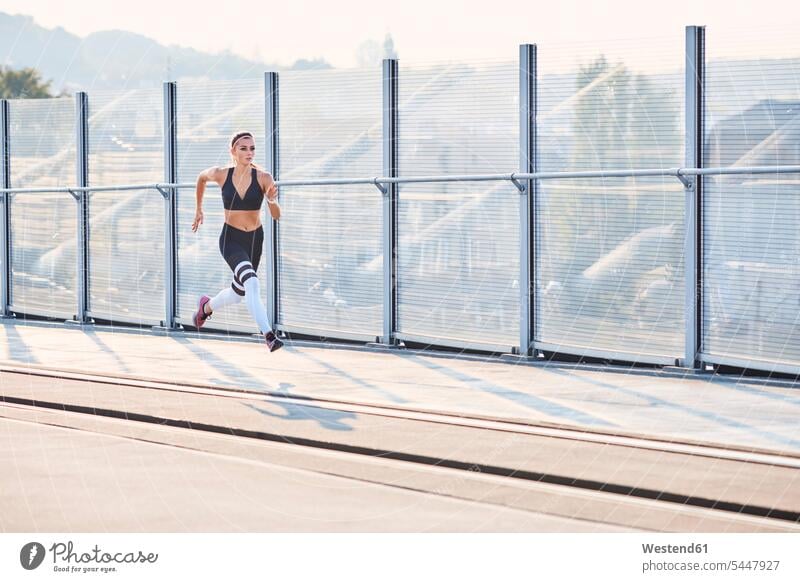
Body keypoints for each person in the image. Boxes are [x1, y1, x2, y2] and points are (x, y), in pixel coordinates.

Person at [191, 131, 283, 352]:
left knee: (237, 293)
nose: (249, 152)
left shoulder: (264, 177)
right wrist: (198, 208)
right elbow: (201, 177)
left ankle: (206, 306)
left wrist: (270, 200)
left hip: (254, 240)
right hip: (231, 239)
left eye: (252, 148)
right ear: (232, 151)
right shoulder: (221, 174)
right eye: (243, 148)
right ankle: (269, 335)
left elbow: (277, 215)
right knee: (252, 283)